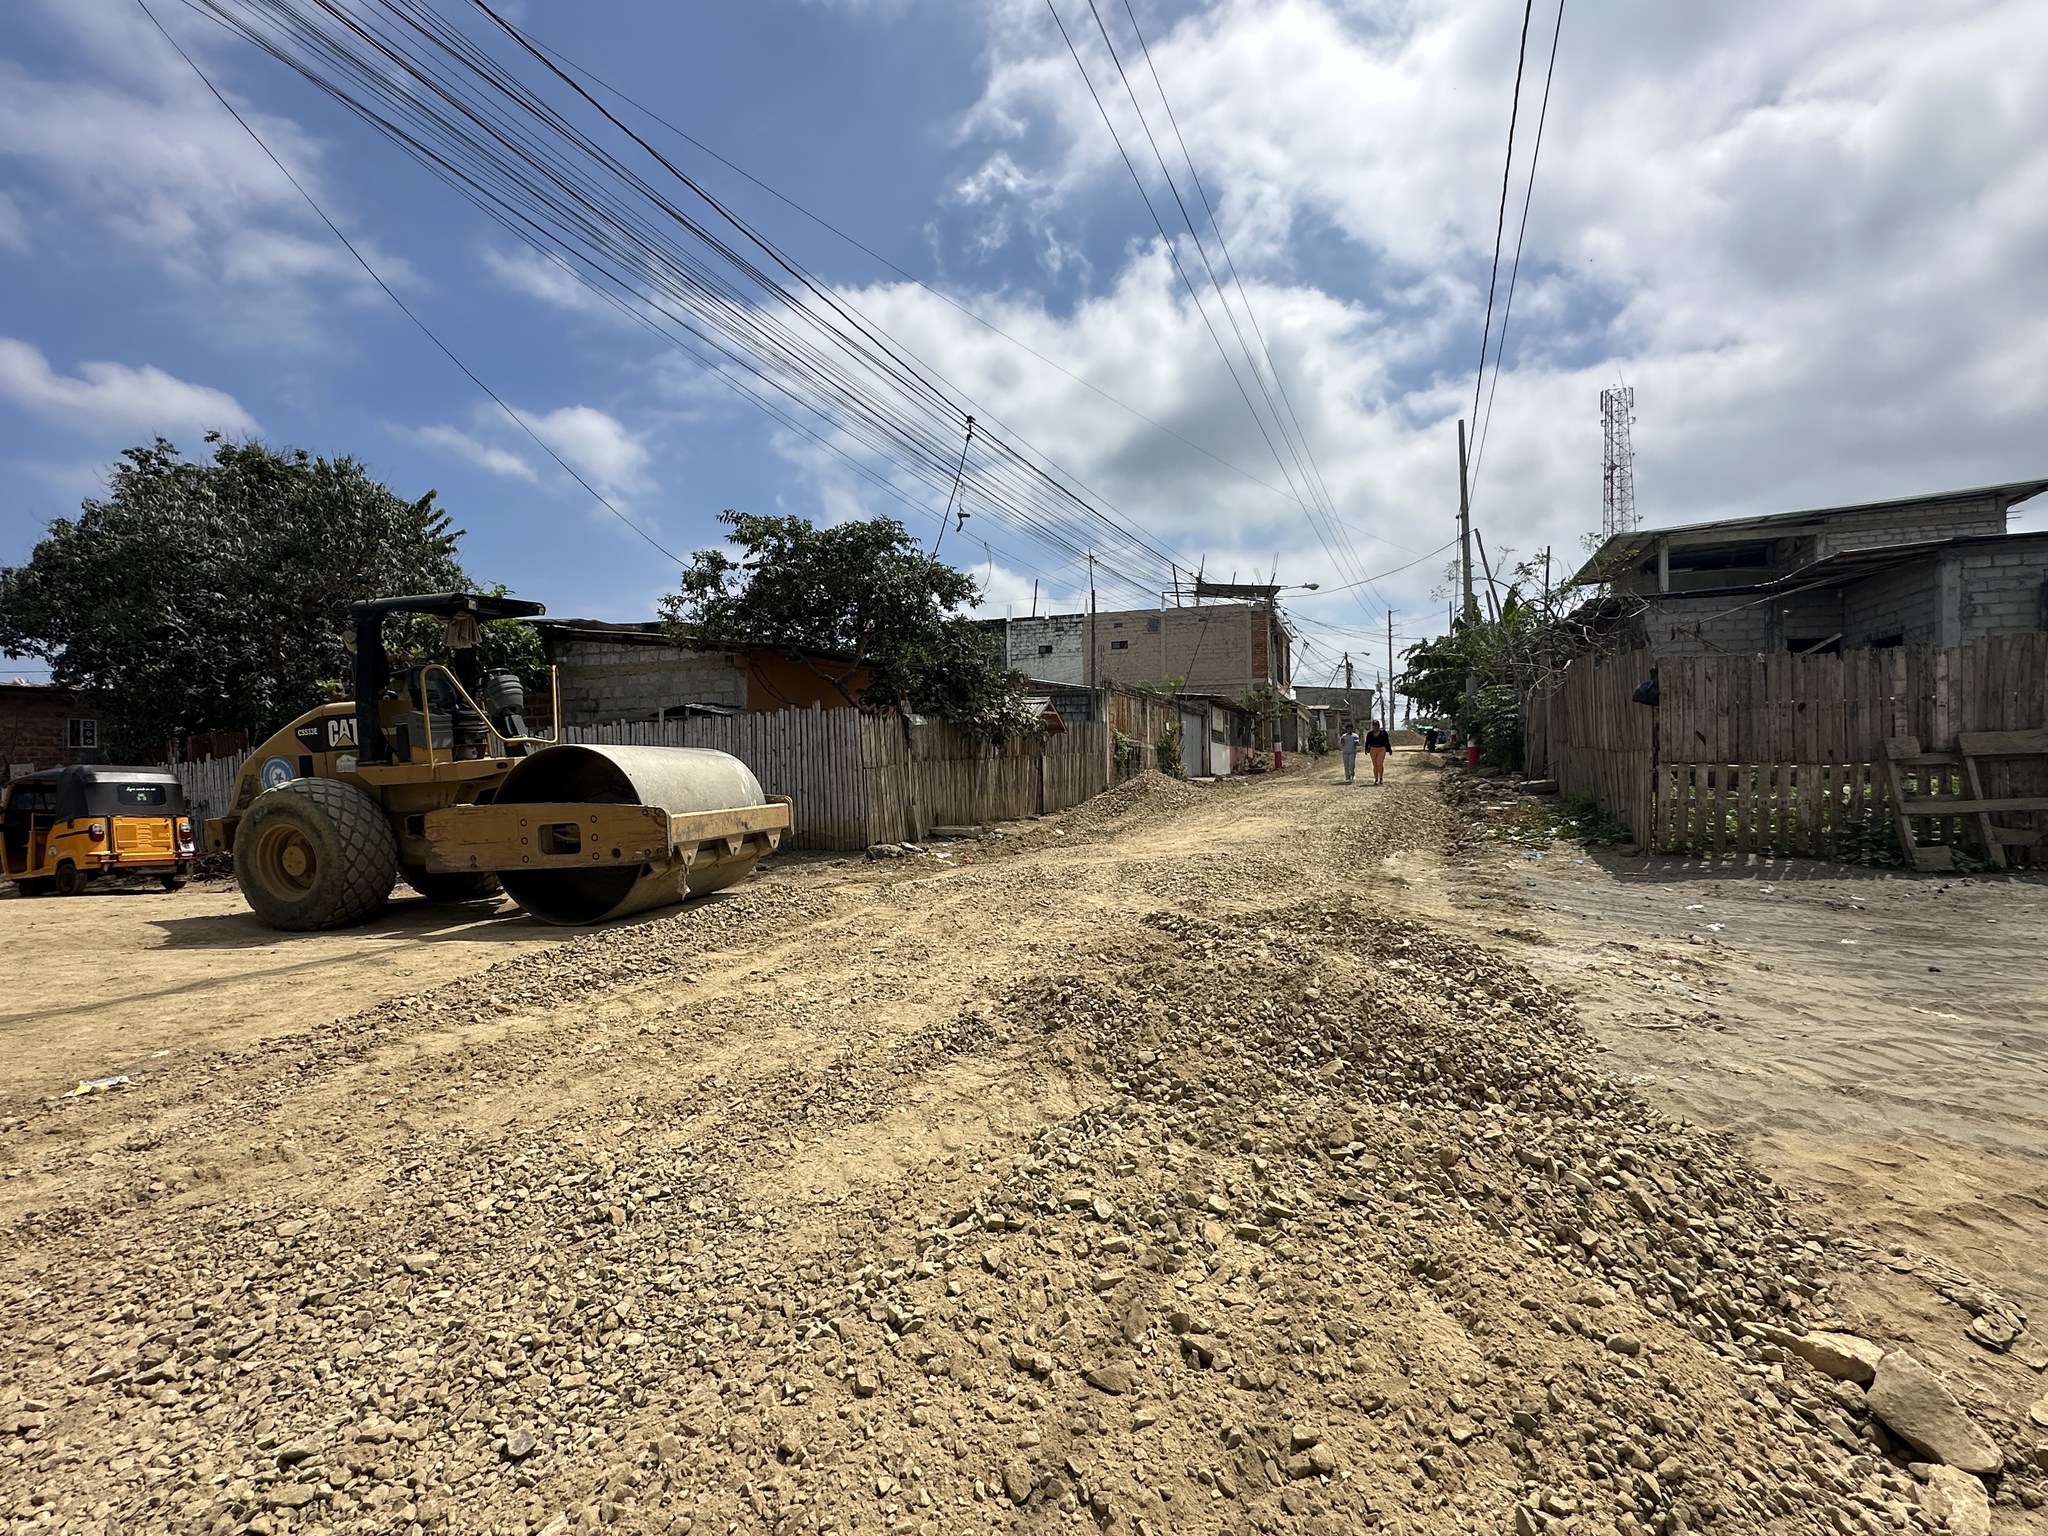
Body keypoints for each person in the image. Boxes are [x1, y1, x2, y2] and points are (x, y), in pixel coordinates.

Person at [1363, 719, 1393, 784]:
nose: (1375, 726)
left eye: (1377, 725)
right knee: (1375, 764)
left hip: (1381, 749)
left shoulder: (1383, 733)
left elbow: (1387, 741)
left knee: (1379, 763)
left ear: (1379, 726)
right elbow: (1367, 742)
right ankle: (1376, 779)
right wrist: (1366, 749)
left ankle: (1381, 778)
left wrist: (1389, 749)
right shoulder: (1370, 734)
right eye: (1374, 725)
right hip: (1373, 749)